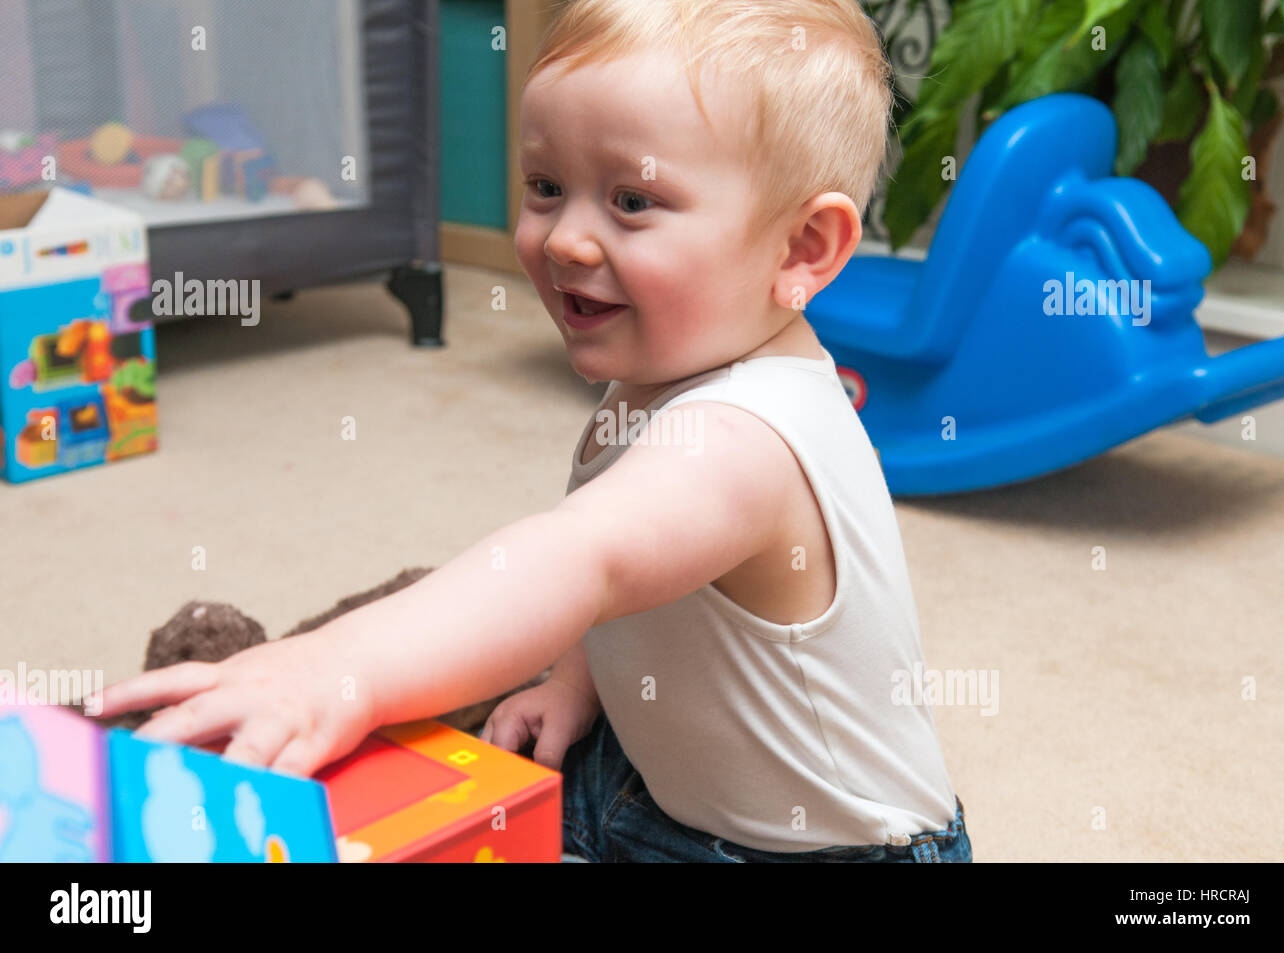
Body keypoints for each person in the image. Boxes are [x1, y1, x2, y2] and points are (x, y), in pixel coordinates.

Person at [96, 0, 971, 863]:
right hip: (654, 781)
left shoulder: (749, 439)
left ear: (800, 250)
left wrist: (337, 667)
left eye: (632, 199)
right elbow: (635, 587)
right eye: (547, 187)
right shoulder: (672, 363)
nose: (568, 241)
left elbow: (583, 559)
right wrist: (575, 681)